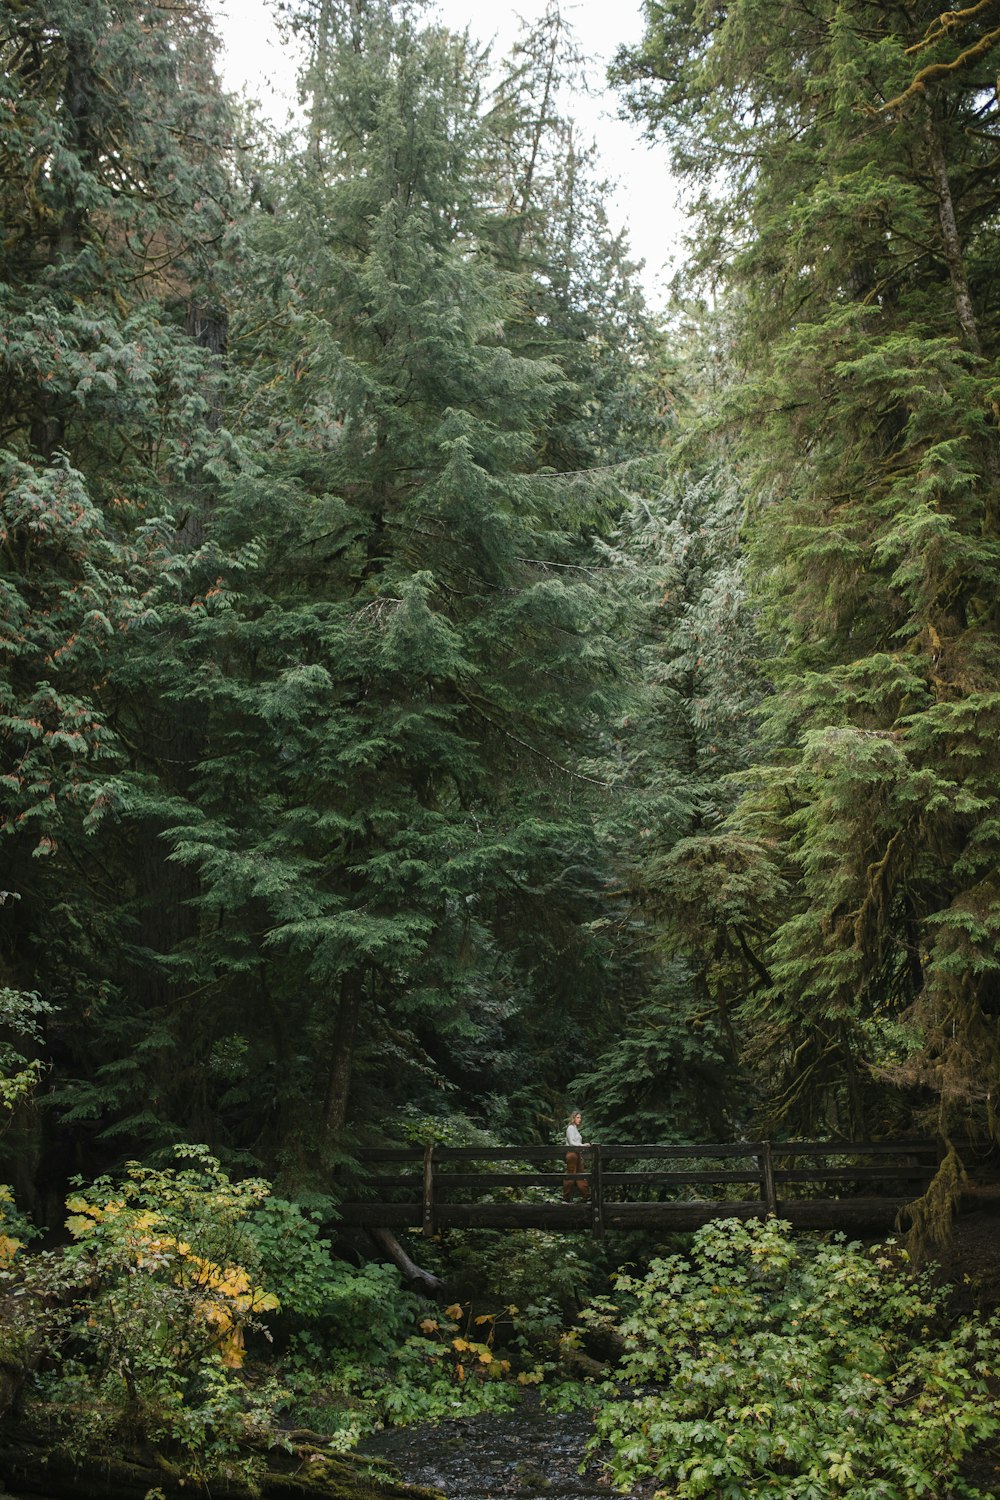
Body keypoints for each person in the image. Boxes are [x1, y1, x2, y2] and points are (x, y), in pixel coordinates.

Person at [563, 1109, 590, 1201]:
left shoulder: (575, 1129)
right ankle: (566, 1197)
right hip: (572, 1153)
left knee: (581, 1174)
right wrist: (583, 1145)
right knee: (571, 1174)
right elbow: (571, 1142)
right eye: (578, 1117)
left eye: (580, 1118)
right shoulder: (570, 1128)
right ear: (573, 1118)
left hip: (577, 1153)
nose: (580, 1120)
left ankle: (586, 1196)